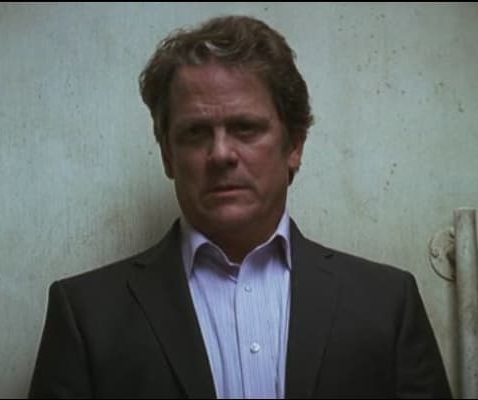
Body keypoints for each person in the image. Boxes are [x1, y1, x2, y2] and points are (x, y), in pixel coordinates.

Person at [29, 15, 451, 399]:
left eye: (245, 128)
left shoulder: (386, 304)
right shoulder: (87, 315)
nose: (220, 154)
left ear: (294, 146)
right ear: (168, 156)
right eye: (196, 133)